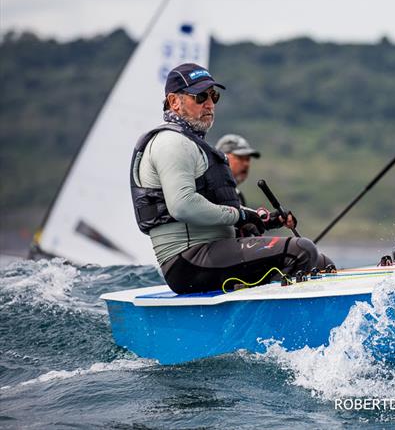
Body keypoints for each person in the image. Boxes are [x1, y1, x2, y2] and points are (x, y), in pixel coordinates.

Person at [129, 62, 334, 294]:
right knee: (301, 251)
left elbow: (220, 209)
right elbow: (182, 206)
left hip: (212, 252)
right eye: (200, 96)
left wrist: (264, 219)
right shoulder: (171, 142)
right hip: (188, 260)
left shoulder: (191, 143)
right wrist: (239, 215)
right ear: (175, 101)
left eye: (213, 96)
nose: (209, 104)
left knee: (322, 263)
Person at [215, 133, 259, 205]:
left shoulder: (238, 195)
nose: (246, 164)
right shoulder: (209, 191)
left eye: (248, 159)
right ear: (221, 157)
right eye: (240, 157)